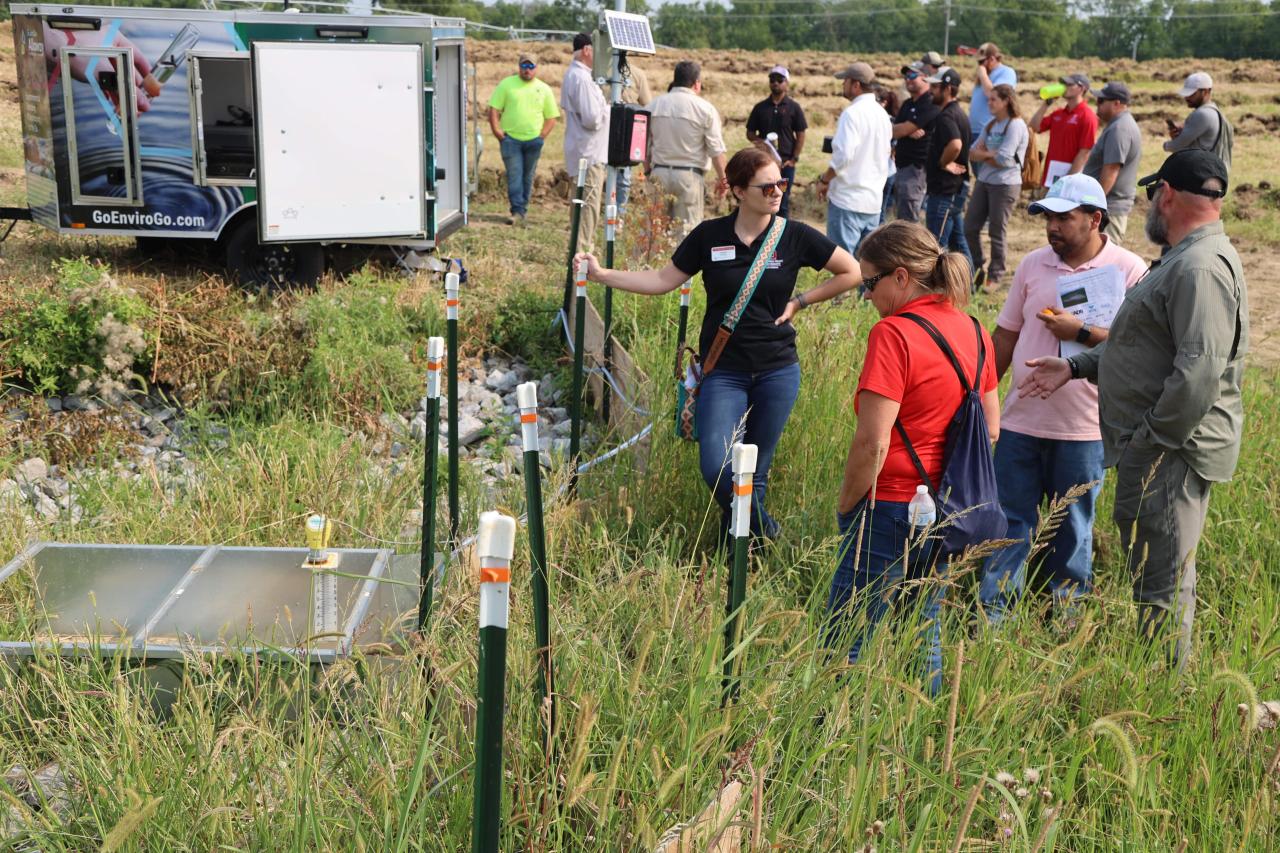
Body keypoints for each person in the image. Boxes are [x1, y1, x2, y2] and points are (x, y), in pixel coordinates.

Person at [1017, 150, 1247, 668]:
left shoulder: (1199, 267)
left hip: (1171, 451)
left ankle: (1162, 696)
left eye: (1153, 194)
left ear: (1166, 193)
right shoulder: (1186, 258)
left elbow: (1199, 372)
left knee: (1161, 584)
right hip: (1164, 447)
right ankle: (1159, 680)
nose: (1150, 206)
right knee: (1153, 573)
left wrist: (1149, 441)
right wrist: (1076, 367)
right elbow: (1146, 347)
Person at [574, 147, 858, 544]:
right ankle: (770, 533)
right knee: (717, 467)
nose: (778, 192)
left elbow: (852, 271)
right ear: (739, 190)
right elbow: (660, 281)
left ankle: (738, 560)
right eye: (767, 186)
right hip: (724, 371)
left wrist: (800, 301)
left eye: (782, 183)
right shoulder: (709, 236)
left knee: (754, 474)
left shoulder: (794, 236)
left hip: (778, 370)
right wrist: (602, 275)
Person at [827, 220, 999, 695]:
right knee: (925, 630)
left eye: (870, 282)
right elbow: (992, 427)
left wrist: (848, 504)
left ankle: (823, 738)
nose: (866, 295)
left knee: (847, 634)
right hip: (946, 511)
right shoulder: (973, 329)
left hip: (890, 506)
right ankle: (927, 731)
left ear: (901, 277)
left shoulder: (894, 334)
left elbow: (873, 443)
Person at [980, 174, 1148, 625]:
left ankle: (1065, 623)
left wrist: (1081, 333)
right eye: (1047, 217)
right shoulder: (1033, 265)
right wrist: (981, 398)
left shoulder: (1130, 270)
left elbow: (1140, 349)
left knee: (1072, 530)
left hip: (1085, 428)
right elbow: (1005, 336)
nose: (1051, 227)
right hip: (1020, 422)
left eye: (1063, 218)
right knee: (1009, 524)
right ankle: (992, 620)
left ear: (1095, 219)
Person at [816, 62, 891, 257]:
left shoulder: (852, 114)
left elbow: (843, 156)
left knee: (842, 266)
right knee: (867, 268)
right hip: (873, 201)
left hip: (847, 200)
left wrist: (825, 179)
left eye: (845, 81)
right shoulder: (882, 114)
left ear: (855, 85)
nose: (842, 85)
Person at [647, 61, 729, 237]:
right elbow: (716, 150)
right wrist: (723, 180)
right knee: (685, 237)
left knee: (652, 237)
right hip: (689, 177)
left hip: (659, 173)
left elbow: (644, 143)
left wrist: (648, 171)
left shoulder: (654, 105)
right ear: (697, 83)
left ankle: (651, 264)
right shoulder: (705, 109)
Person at [964, 83, 1028, 290]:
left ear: (1006, 101)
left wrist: (988, 155)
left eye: (993, 99)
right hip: (985, 180)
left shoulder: (1016, 125)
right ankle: (978, 267)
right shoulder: (991, 124)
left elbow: (1004, 159)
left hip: (1005, 184)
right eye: (988, 99)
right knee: (970, 227)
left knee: (996, 230)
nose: (989, 103)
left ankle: (996, 274)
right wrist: (990, 155)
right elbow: (972, 152)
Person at [488, 53, 560, 226]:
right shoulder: (506, 85)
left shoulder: (544, 89)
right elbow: (494, 110)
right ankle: (517, 210)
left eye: (531, 67)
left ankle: (523, 209)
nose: (527, 70)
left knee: (528, 176)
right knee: (514, 175)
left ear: (536, 68)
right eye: (524, 66)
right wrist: (498, 132)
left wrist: (541, 136)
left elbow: (552, 117)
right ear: (519, 67)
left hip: (533, 141)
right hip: (510, 140)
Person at [561, 33, 609, 253]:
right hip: (589, 157)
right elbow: (592, 119)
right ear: (588, 51)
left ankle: (577, 268)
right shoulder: (582, 79)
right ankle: (579, 276)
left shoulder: (574, 75)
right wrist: (608, 111)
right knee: (586, 216)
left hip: (582, 153)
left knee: (581, 214)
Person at [923, 67, 972, 266]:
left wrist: (943, 163)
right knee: (958, 244)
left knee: (936, 248)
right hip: (952, 190)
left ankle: (939, 291)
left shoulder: (946, 117)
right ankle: (969, 286)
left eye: (935, 87)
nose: (930, 91)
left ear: (948, 88)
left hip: (944, 191)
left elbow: (955, 144)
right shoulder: (958, 112)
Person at [1083, 81, 1142, 245]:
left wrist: (1093, 204)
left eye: (1101, 101)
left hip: (1109, 209)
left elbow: (1111, 170)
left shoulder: (1120, 129)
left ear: (1117, 103)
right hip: (1106, 207)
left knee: (1103, 262)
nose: (1097, 105)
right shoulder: (1118, 125)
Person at [746, 65, 808, 219]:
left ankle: (781, 238)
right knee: (763, 199)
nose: (775, 83)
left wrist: (794, 159)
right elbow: (750, 133)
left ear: (787, 83)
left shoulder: (794, 108)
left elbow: (801, 134)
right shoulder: (760, 108)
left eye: (780, 80)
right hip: (763, 163)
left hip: (785, 163)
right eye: (772, 79)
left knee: (782, 202)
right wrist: (761, 142)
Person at [1030, 73, 1097, 189]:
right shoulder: (1059, 113)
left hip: (1069, 180)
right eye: (1063, 84)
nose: (1064, 87)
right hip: (1049, 177)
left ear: (1081, 88)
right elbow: (1033, 127)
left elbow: (1084, 152)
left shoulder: (1087, 116)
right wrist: (1045, 105)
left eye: (1069, 84)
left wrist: (1068, 181)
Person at [891, 62, 940, 222]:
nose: (908, 80)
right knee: (902, 214)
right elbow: (894, 131)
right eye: (906, 76)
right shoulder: (908, 103)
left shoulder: (930, 102)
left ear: (925, 77)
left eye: (912, 75)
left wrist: (905, 129)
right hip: (902, 166)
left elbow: (899, 130)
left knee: (909, 219)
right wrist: (905, 130)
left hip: (916, 168)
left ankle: (913, 247)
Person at [1164, 72, 1234, 175]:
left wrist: (1166, 145)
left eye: (1192, 94)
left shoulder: (1201, 114)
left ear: (1205, 92)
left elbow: (1177, 146)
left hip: (1202, 173)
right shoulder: (1216, 112)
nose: (1186, 98)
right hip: (1216, 172)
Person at [613, 61, 652, 219]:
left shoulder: (637, 75)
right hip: (602, 130)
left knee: (623, 179)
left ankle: (619, 217)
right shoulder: (600, 71)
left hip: (626, 134)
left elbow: (647, 105)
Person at [969, 42, 1017, 144]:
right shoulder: (986, 75)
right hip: (974, 131)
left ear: (992, 59)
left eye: (982, 62)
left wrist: (982, 75)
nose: (980, 65)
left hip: (992, 131)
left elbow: (993, 94)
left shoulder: (1006, 72)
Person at [875, 85, 902, 223]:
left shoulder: (885, 120)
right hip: (890, 171)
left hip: (884, 171)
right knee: (882, 210)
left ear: (884, 102)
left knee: (879, 212)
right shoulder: (893, 120)